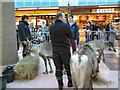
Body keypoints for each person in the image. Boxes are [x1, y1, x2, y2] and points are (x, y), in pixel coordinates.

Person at [49, 12, 76, 90]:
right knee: (67, 67)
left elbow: (51, 38)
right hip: (64, 50)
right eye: (64, 17)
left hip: (55, 50)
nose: (65, 19)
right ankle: (70, 82)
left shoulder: (51, 27)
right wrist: (74, 49)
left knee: (58, 68)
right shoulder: (65, 26)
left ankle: (60, 85)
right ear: (60, 17)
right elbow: (71, 37)